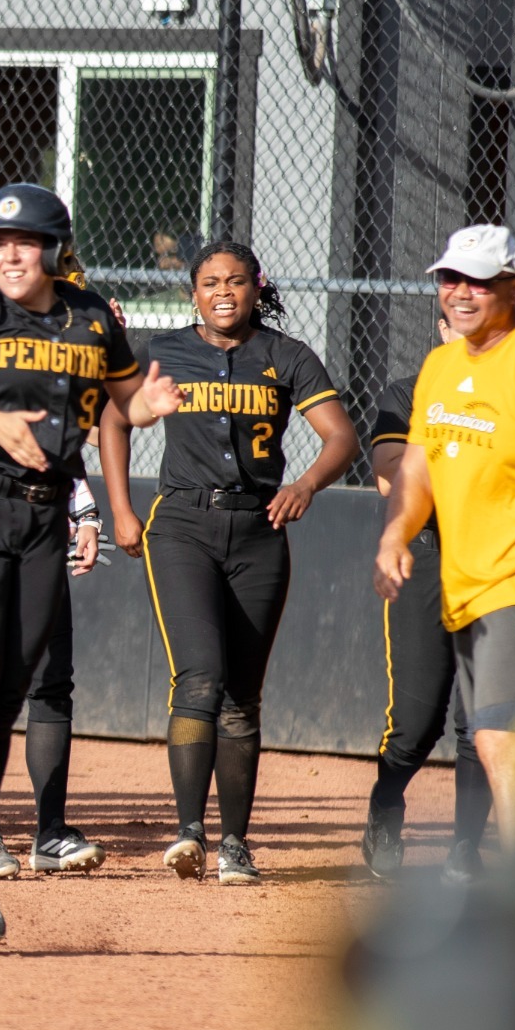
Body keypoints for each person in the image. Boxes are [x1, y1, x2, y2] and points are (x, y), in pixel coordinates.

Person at [0, 183, 184, 941]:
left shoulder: (88, 315)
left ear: (54, 249)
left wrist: (149, 404)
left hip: (45, 512)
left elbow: (121, 403)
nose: (9, 254)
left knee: (10, 693)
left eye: (25, 243)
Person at [101, 241, 358, 886]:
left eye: (236, 281)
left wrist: (303, 485)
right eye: (210, 281)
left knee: (242, 696)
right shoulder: (163, 350)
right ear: (193, 293)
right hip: (182, 524)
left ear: (253, 287)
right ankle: (190, 831)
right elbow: (113, 419)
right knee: (200, 678)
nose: (223, 291)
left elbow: (340, 437)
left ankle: (235, 844)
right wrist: (123, 511)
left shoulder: (285, 356)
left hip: (258, 529)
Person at [374, 225, 515, 847]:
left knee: (504, 737)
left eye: (478, 280)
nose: (461, 292)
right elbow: (418, 463)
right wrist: (397, 532)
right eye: (451, 278)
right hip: (465, 586)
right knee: (504, 741)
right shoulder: (441, 365)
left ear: (514, 285)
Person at [360, 313, 494, 882]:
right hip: (429, 553)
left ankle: (465, 848)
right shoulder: (407, 392)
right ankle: (385, 804)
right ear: (438, 328)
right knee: (417, 724)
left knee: (483, 721)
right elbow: (392, 474)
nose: (466, 326)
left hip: (497, 559)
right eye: (454, 318)